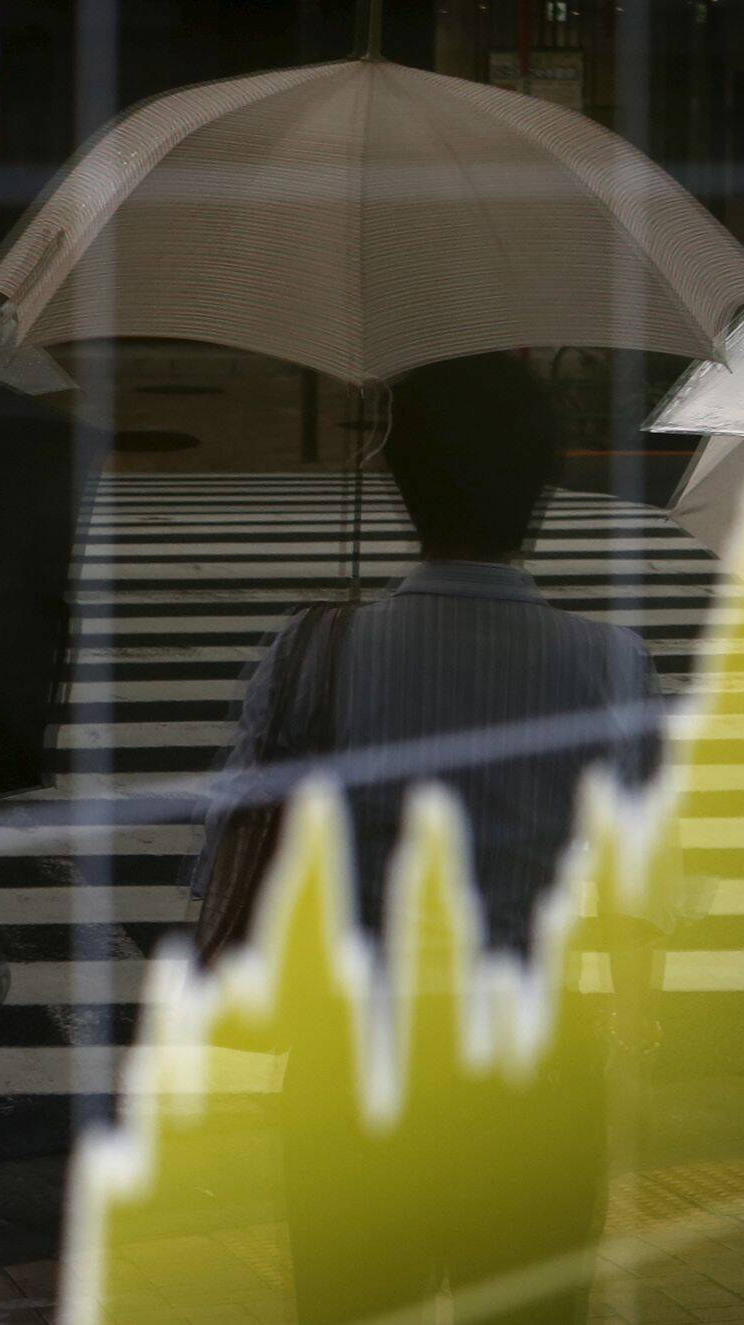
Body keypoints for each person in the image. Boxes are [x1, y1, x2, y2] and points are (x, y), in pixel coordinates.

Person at [194, 353, 669, 1323]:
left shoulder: (312, 651)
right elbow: (644, 883)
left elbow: (226, 855)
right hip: (533, 1056)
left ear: (399, 479)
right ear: (540, 484)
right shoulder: (610, 664)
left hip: (352, 1053)